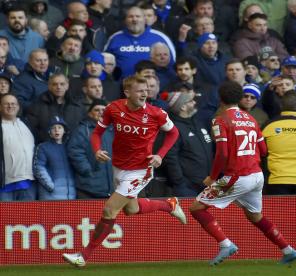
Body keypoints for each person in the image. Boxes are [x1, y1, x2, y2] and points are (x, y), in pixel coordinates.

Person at [62, 75, 187, 267]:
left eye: (146, 90)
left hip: (140, 170)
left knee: (109, 210)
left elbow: (174, 132)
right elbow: (97, 133)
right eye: (139, 91)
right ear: (127, 92)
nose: (144, 94)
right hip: (119, 167)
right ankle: (169, 205)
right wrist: (96, 150)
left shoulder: (156, 114)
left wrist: (160, 155)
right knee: (131, 209)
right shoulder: (114, 109)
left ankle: (83, 257)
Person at [189, 81, 296, 266]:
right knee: (255, 216)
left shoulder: (220, 120)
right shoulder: (251, 118)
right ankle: (288, 250)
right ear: (240, 98)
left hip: (236, 177)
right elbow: (263, 150)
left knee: (196, 207)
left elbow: (222, 153)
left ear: (220, 99)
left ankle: (226, 244)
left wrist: (213, 177)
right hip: (256, 176)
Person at [0, 93, 36, 201]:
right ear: (0, 107)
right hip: (4, 185)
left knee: (28, 217)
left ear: (18, 107)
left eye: (13, 103)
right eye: (6, 104)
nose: (10, 106)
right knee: (5, 218)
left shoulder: (26, 123)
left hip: (27, 182)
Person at [33, 116, 76, 200]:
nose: (57, 130)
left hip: (70, 196)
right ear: (49, 132)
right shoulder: (43, 147)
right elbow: (38, 167)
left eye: (60, 127)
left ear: (64, 131)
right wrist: (50, 186)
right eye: (53, 128)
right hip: (51, 196)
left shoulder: (69, 147)